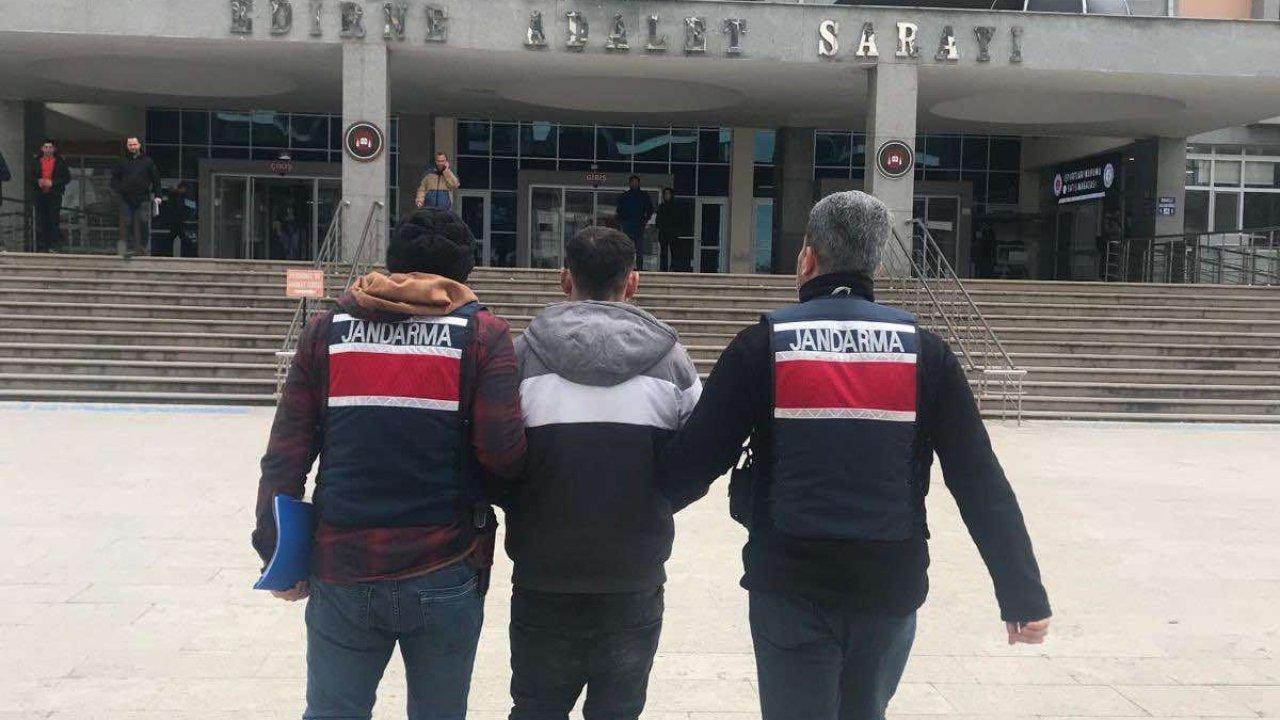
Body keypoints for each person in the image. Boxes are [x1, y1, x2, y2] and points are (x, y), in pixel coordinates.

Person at [658, 191, 1052, 720]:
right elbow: (978, 480)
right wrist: (1022, 593)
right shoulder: (926, 352)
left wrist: (618, 507)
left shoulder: (763, 345)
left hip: (789, 586)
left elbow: (694, 463)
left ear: (807, 257)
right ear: (876, 264)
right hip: (888, 587)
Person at [252, 208, 527, 720]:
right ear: (464, 273)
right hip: (445, 566)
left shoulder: (326, 332)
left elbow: (286, 453)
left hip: (342, 565)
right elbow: (502, 455)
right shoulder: (483, 337)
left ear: (393, 262)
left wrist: (274, 550)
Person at [505, 226, 701, 720]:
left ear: (564, 279)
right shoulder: (672, 362)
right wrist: (657, 499)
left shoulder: (521, 356)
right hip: (633, 574)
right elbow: (700, 457)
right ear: (632, 282)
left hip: (543, 572)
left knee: (535, 710)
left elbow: (493, 450)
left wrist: (523, 500)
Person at [110, 136, 161, 259]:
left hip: (143, 197)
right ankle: (130, 248)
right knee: (127, 222)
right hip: (126, 198)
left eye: (134, 144)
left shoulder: (147, 161)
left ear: (139, 145)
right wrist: (120, 189)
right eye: (130, 145)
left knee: (143, 221)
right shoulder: (122, 161)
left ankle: (143, 247)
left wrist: (158, 195)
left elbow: (156, 179)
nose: (132, 147)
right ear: (127, 146)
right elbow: (114, 179)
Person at [30, 140, 71, 253]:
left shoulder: (60, 162)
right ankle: (42, 247)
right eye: (46, 147)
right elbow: (30, 176)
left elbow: (66, 178)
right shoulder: (36, 161)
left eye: (50, 147)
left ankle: (53, 246)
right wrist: (38, 181)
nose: (48, 149)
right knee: (41, 221)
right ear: (42, 149)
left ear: (54, 149)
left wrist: (53, 183)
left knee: (53, 220)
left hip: (54, 195)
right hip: (40, 195)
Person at [615, 176, 653, 271]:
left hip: (639, 226)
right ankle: (626, 268)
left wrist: (645, 220)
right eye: (632, 182)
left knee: (639, 249)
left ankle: (639, 268)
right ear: (630, 183)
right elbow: (619, 211)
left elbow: (650, 209)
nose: (634, 184)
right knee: (626, 248)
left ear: (639, 183)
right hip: (627, 226)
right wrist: (622, 222)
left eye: (636, 182)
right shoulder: (625, 196)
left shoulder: (644, 196)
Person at [654, 187, 690, 273]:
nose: (667, 196)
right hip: (663, 233)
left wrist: (678, 229)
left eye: (668, 194)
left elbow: (681, 220)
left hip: (673, 233)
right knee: (664, 252)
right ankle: (663, 269)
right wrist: (660, 226)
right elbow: (658, 221)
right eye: (665, 194)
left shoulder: (676, 207)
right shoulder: (661, 207)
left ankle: (674, 268)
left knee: (675, 252)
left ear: (671, 195)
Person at [155, 182, 195, 257]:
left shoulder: (183, 197)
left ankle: (188, 253)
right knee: (177, 238)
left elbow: (189, 206)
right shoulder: (175, 196)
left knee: (176, 237)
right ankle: (166, 253)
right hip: (175, 220)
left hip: (179, 220)